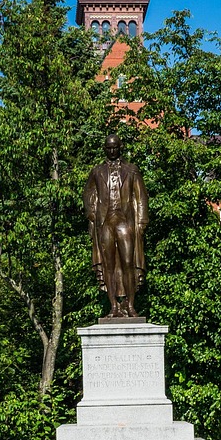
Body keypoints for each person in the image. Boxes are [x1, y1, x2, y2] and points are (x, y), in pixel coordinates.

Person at [83, 133, 149, 319]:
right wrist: (91, 213)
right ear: (105, 149)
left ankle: (130, 305)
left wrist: (142, 222)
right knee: (108, 265)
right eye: (108, 148)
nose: (112, 151)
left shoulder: (132, 170)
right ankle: (113, 306)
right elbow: (88, 193)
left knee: (129, 263)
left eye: (115, 147)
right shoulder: (97, 171)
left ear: (121, 147)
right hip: (105, 223)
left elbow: (141, 196)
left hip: (125, 221)